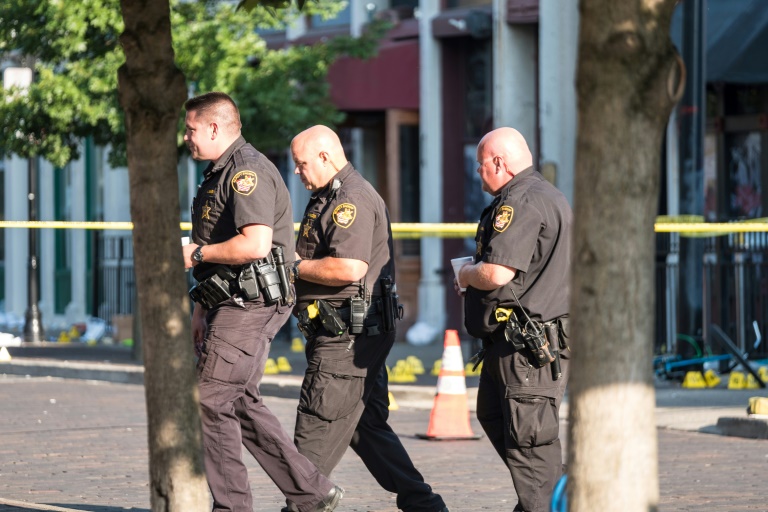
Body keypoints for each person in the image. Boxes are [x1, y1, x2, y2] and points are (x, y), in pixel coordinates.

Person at [181, 92, 343, 512]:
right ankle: (312, 492)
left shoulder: (245, 172)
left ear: (215, 128)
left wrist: (195, 254)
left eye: (191, 129)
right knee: (238, 400)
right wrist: (201, 309)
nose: (186, 137)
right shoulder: (218, 173)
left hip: (249, 303)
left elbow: (254, 244)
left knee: (209, 400)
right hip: (229, 302)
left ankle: (232, 507)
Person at [284, 125, 448, 512]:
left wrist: (294, 267)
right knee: (365, 427)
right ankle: (424, 505)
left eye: (301, 163)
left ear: (325, 156)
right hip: (351, 332)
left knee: (315, 428)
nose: (297, 172)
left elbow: (349, 268)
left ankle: (300, 507)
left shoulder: (350, 199)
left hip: (347, 336)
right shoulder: (327, 195)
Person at [455, 127, 572, 512]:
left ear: (499, 163)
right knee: (495, 417)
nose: (478, 172)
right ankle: (553, 494)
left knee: (529, 442)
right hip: (515, 342)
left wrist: (467, 273)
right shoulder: (545, 194)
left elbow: (497, 273)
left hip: (526, 348)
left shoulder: (520, 201)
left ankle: (555, 499)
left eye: (481, 164)